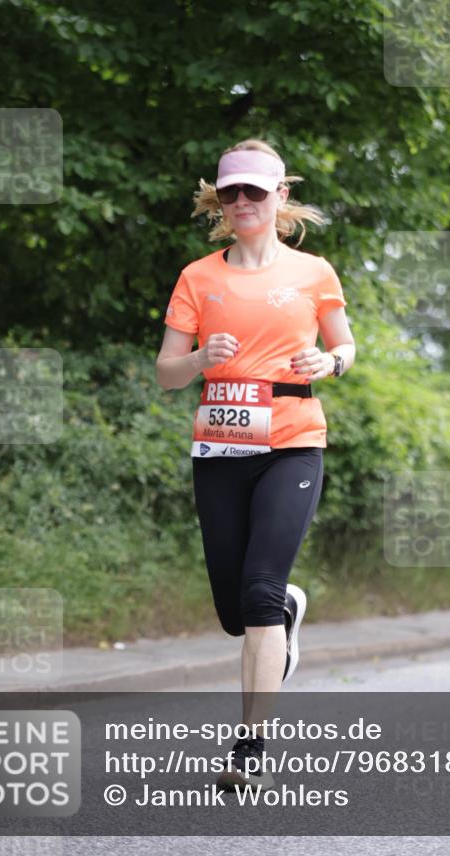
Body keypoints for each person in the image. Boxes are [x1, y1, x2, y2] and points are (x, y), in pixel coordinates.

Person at [155, 138, 355, 789]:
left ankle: (248, 751)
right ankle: (284, 614)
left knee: (260, 593)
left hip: (294, 441)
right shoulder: (198, 276)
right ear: (219, 199)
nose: (241, 201)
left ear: (279, 198)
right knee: (233, 612)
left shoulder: (314, 273)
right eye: (230, 191)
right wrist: (196, 360)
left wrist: (330, 362)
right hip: (219, 448)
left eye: (255, 191)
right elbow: (165, 374)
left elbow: (344, 347)